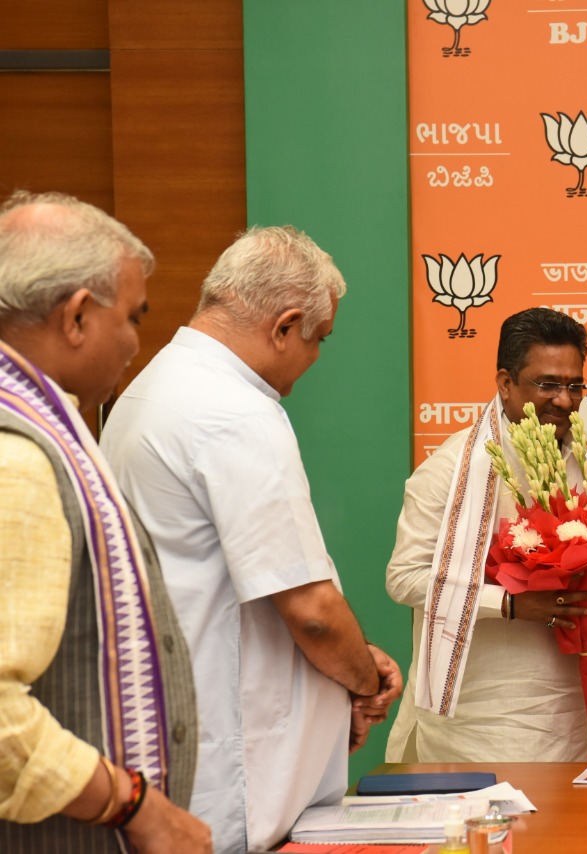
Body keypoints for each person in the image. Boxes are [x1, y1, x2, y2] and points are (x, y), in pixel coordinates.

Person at [100, 226, 403, 853]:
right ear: (285, 326)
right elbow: (312, 613)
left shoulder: (156, 385)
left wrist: (353, 660)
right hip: (234, 766)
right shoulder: (233, 411)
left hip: (182, 733)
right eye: (318, 340)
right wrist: (365, 682)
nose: (315, 358)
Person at [0, 190, 211, 852]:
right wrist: (138, 807)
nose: (134, 342)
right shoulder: (18, 457)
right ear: (76, 318)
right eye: (134, 317)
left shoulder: (43, 427)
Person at [385, 307, 587, 762]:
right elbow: (404, 577)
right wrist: (509, 603)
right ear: (506, 384)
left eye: (575, 385)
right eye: (547, 384)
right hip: (480, 718)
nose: (565, 400)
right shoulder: (450, 470)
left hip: (575, 705)